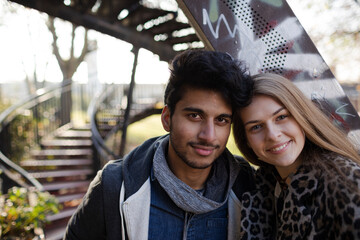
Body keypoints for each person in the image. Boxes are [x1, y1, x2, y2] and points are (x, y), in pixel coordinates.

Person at [64, 49, 255, 240]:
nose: (208, 136)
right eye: (194, 116)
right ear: (167, 118)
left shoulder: (248, 186)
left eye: (221, 120)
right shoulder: (114, 186)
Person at [233, 73, 360, 239]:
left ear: (302, 117)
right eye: (256, 127)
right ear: (247, 141)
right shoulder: (263, 187)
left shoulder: (345, 182)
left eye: (281, 117)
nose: (272, 135)